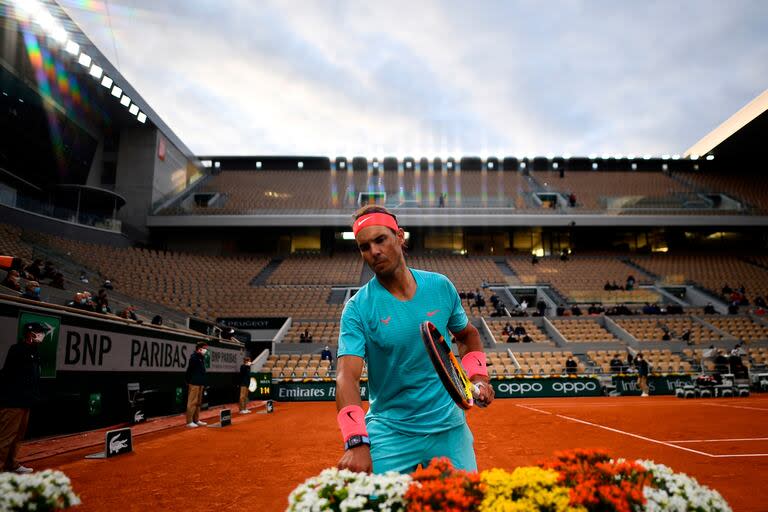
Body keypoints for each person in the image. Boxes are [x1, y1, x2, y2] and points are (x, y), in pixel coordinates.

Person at [336, 205, 494, 474]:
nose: (373, 251)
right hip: (390, 431)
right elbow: (346, 377)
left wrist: (478, 377)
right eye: (364, 247)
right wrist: (356, 442)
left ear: (400, 236)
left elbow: (468, 335)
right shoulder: (356, 308)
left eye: (380, 240)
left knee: (464, 502)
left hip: (449, 428)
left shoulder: (441, 286)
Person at [0, 321, 48, 473]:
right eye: (39, 332)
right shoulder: (18, 349)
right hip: (12, 400)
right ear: (30, 333)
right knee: (6, 437)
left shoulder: (34, 350)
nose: (42, 335)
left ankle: (11, 464)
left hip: (25, 400)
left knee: (18, 436)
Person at [185, 342, 208, 427]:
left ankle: (196, 420)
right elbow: (189, 370)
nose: (206, 350)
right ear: (199, 349)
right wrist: (188, 381)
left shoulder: (202, 358)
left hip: (200, 383)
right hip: (194, 383)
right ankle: (189, 421)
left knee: (198, 402)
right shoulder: (194, 357)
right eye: (205, 348)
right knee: (192, 402)